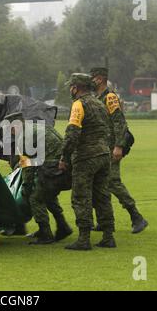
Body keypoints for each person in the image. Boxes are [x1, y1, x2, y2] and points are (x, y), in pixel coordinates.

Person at [59, 73, 116, 251]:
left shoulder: (78, 104)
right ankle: (108, 236)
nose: (70, 89)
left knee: (81, 197)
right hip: (103, 156)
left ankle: (84, 239)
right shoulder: (100, 103)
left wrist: (64, 157)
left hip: (86, 158)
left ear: (76, 87)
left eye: (72, 86)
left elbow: (72, 134)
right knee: (103, 197)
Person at [90, 67, 148, 234]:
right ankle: (104, 220)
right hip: (101, 147)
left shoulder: (109, 97)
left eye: (92, 78)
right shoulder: (98, 97)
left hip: (111, 147)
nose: (91, 81)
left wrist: (119, 146)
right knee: (99, 183)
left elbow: (119, 122)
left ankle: (137, 217)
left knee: (113, 182)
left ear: (99, 79)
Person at [4, 112, 73, 245]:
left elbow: (28, 169)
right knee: (47, 194)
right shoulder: (37, 127)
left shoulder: (23, 138)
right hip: (66, 166)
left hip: (53, 168)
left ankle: (46, 234)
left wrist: (26, 188)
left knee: (35, 198)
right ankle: (62, 226)